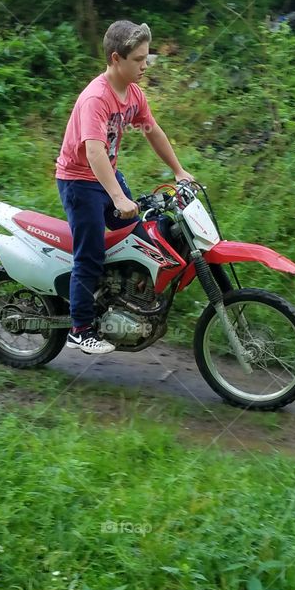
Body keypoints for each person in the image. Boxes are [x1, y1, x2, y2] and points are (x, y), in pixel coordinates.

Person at [55, 19, 195, 355]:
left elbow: (153, 131)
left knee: (141, 233)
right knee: (90, 255)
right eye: (138, 59)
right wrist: (117, 196)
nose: (145, 65)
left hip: (106, 177)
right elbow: (93, 150)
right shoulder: (96, 99)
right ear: (116, 59)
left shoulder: (132, 93)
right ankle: (80, 327)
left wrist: (178, 170)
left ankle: (119, 296)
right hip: (79, 182)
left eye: (146, 58)